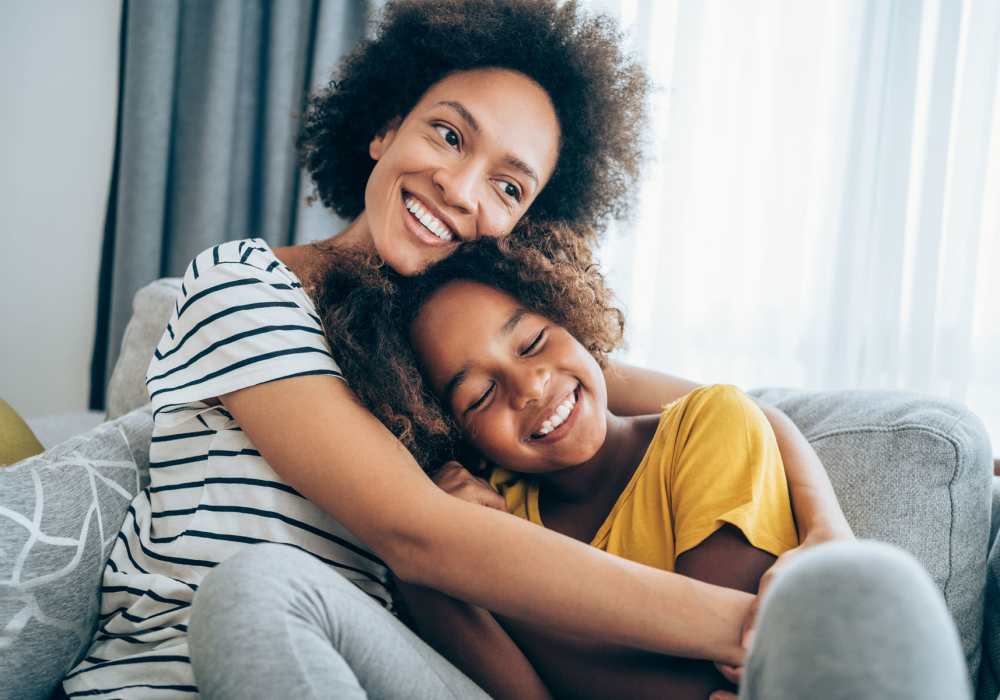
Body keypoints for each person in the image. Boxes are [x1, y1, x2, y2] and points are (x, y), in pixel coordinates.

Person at [62, 1, 961, 698]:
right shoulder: (241, 287)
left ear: (526, 221)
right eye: (447, 134)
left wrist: (830, 542)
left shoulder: (458, 350)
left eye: (508, 183)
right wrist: (757, 631)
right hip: (176, 671)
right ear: (382, 127)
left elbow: (745, 405)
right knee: (261, 585)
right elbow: (415, 534)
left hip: (382, 666)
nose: (458, 187)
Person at [312, 236, 798, 698]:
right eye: (480, 395)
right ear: (459, 437)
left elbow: (707, 679)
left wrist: (485, 579)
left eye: (532, 343)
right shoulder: (484, 517)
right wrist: (447, 555)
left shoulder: (712, 425)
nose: (529, 388)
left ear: (572, 318)